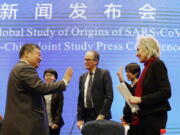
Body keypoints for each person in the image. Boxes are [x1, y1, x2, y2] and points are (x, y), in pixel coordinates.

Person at [2, 43, 73, 135]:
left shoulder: (19, 68)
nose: (41, 58)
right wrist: (64, 81)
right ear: (27, 53)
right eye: (38, 54)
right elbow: (42, 87)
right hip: (26, 128)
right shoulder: (24, 68)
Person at [128, 35, 171, 135]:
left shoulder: (157, 64)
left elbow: (166, 92)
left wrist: (140, 99)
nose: (136, 54)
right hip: (145, 116)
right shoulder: (148, 66)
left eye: (138, 50)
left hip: (154, 117)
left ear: (147, 49)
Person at [77, 50, 114, 129]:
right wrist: (79, 118)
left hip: (101, 116)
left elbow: (109, 96)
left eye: (88, 60)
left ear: (96, 61)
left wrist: (102, 114)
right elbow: (81, 99)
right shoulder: (82, 77)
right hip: (87, 116)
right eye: (84, 59)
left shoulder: (104, 73)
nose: (85, 62)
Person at [44, 69, 65, 135]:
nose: (48, 77)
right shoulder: (40, 89)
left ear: (55, 78)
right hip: (42, 123)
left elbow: (59, 108)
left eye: (51, 75)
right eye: (47, 75)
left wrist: (56, 122)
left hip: (54, 123)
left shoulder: (58, 91)